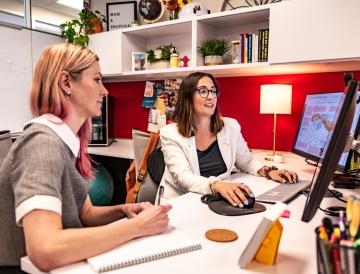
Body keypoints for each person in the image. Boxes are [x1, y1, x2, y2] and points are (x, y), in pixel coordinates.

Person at [0, 44, 171, 273]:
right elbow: (45, 249)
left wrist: (125, 210)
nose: (105, 91)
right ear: (66, 83)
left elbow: (87, 214)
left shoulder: (66, 141)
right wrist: (137, 227)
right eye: (97, 80)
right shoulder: (41, 143)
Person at [159, 72, 298, 207]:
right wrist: (217, 185)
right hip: (180, 203)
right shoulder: (170, 133)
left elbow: (247, 162)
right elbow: (182, 177)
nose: (210, 96)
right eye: (203, 91)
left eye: (213, 91)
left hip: (216, 200)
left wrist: (269, 171)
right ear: (187, 97)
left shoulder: (230, 126)